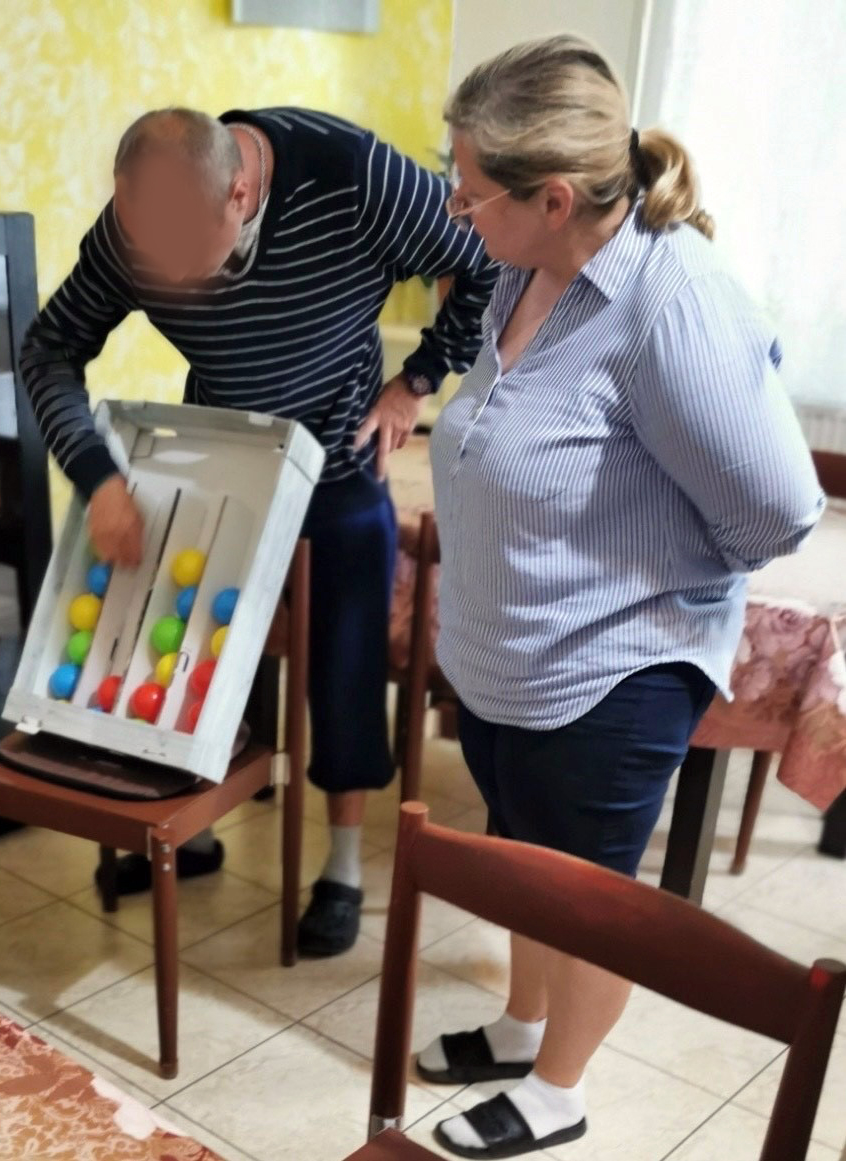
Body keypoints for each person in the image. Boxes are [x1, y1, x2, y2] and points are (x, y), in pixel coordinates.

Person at [415, 36, 823, 1158]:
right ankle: (522, 1027)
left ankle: (559, 1091)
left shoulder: (670, 305)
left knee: (589, 891)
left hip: (611, 670)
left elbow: (776, 511)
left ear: (552, 197)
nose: (454, 205)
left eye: (469, 188)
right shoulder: (525, 266)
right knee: (528, 863)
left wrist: (641, 585)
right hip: (511, 660)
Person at [20, 106, 497, 957]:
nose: (164, 278)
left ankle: (342, 867)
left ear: (240, 194)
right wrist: (97, 477)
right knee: (193, 652)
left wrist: (417, 379)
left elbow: (485, 261)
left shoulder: (356, 177)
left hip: (339, 464)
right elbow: (50, 348)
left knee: (345, 671)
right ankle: (199, 834)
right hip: (226, 466)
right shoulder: (136, 228)